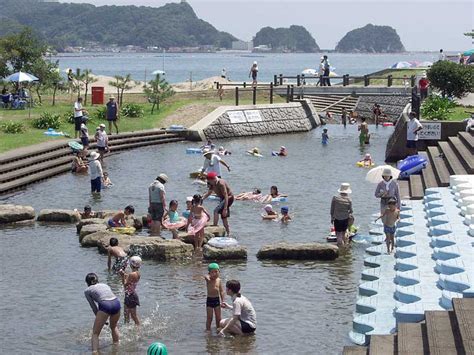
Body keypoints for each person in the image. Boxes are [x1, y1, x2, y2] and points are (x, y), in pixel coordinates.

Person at [84, 273, 121, 353]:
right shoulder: (104, 285)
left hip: (105, 305)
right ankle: (116, 348)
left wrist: (101, 318)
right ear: (98, 280)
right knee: (113, 327)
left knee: (95, 333)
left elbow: (93, 306)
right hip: (116, 303)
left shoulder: (87, 291)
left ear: (87, 283)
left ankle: (95, 352)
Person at [203, 172, 234, 236]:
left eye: (209, 181)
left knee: (216, 211)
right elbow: (209, 193)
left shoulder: (221, 183)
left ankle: (215, 226)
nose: (209, 183)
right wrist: (202, 199)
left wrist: (225, 208)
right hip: (222, 199)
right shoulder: (212, 184)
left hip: (228, 198)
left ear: (213, 179)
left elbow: (226, 196)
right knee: (224, 217)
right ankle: (228, 233)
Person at [119, 256, 141, 326]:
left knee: (133, 315)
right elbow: (129, 278)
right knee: (126, 313)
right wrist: (124, 275)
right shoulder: (137, 273)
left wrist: (122, 276)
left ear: (131, 264)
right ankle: (126, 328)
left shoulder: (132, 274)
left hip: (130, 295)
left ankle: (138, 328)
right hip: (130, 295)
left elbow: (125, 285)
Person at [330, 183, 353, 247]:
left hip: (337, 218)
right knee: (343, 234)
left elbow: (332, 209)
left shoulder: (335, 198)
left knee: (338, 235)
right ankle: (344, 248)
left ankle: (341, 248)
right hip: (345, 219)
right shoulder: (349, 200)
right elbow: (351, 211)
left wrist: (332, 218)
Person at [204, 263, 226, 331]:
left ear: (219, 272)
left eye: (216, 271)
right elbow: (205, 276)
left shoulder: (219, 280)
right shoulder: (208, 280)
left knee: (218, 318)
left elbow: (221, 291)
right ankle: (208, 330)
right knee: (209, 318)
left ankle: (218, 329)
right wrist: (208, 276)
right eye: (212, 272)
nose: (214, 274)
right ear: (209, 273)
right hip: (209, 300)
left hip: (217, 300)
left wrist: (223, 301)